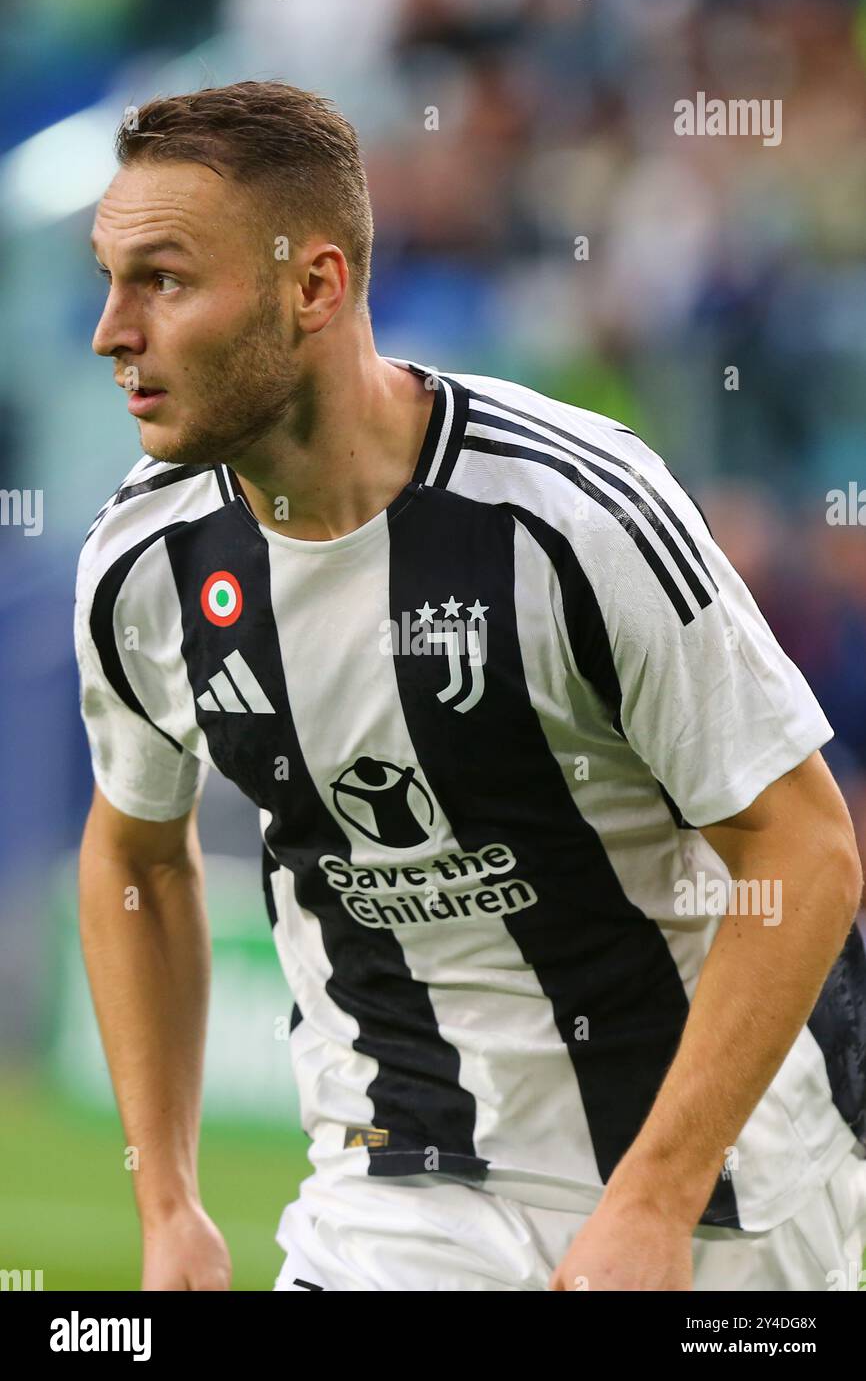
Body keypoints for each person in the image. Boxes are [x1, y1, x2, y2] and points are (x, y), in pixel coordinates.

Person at [75, 80, 866, 1292]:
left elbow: (803, 847)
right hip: (394, 1179)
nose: (113, 330)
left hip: (720, 1185)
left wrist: (654, 1201)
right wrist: (168, 1200)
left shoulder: (573, 513)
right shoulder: (140, 565)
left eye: (165, 281)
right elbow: (134, 857)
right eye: (109, 278)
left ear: (315, 287)